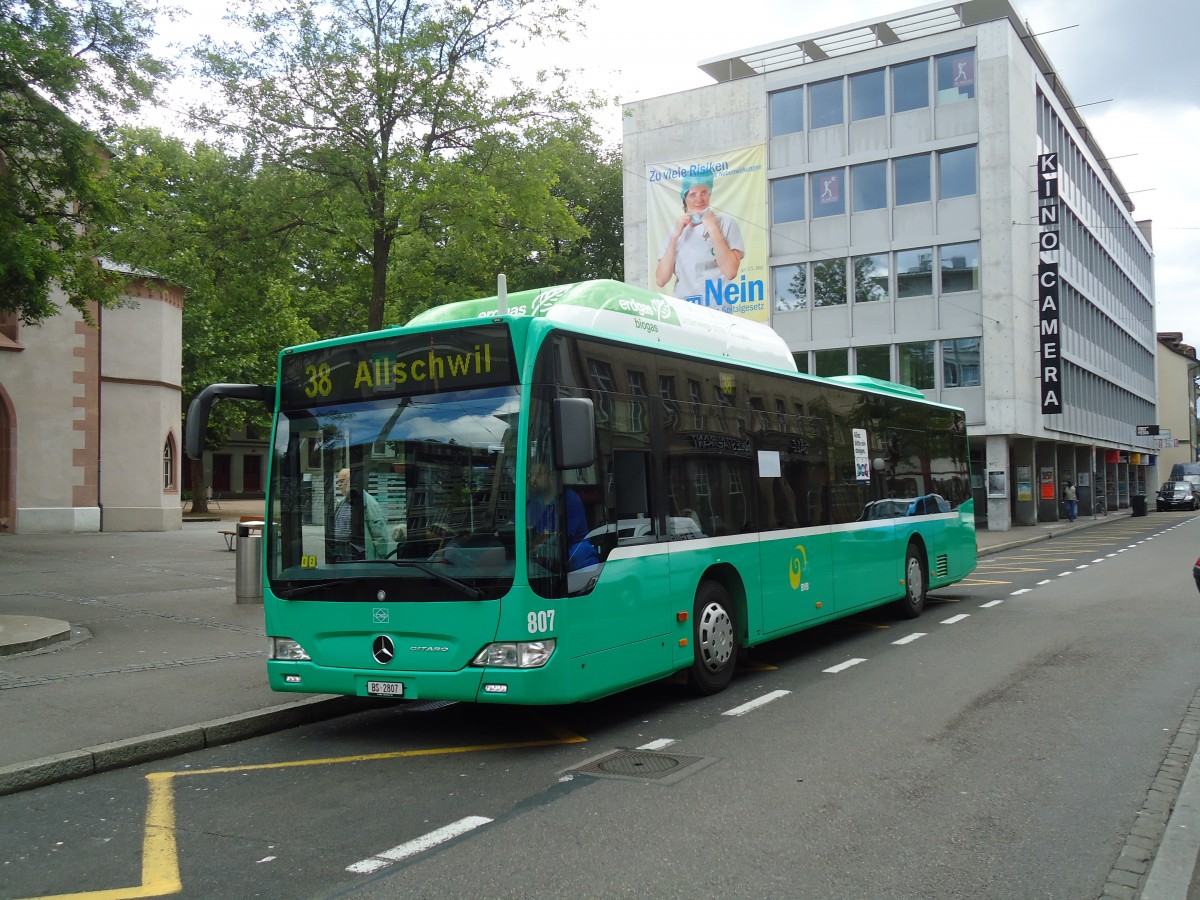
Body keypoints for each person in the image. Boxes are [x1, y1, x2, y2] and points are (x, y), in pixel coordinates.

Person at [655, 173, 745, 307]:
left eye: (704, 193)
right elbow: (661, 280)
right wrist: (675, 237)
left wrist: (712, 228)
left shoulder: (726, 224)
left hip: (717, 312)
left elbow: (730, 271)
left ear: (710, 195)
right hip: (685, 314)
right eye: (692, 194)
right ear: (684, 198)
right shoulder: (674, 233)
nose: (699, 199)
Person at [527, 461, 599, 572]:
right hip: (550, 560)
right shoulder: (536, 500)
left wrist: (530, 549)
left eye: (538, 475)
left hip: (577, 563)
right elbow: (515, 524)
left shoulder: (569, 499)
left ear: (551, 476)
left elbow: (552, 535)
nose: (533, 480)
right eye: (531, 475)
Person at [332, 467, 389, 560]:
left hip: (358, 554)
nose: (340, 485)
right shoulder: (342, 503)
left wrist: (379, 559)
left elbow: (380, 535)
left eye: (343, 481)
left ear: (353, 481)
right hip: (341, 552)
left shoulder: (369, 503)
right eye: (338, 482)